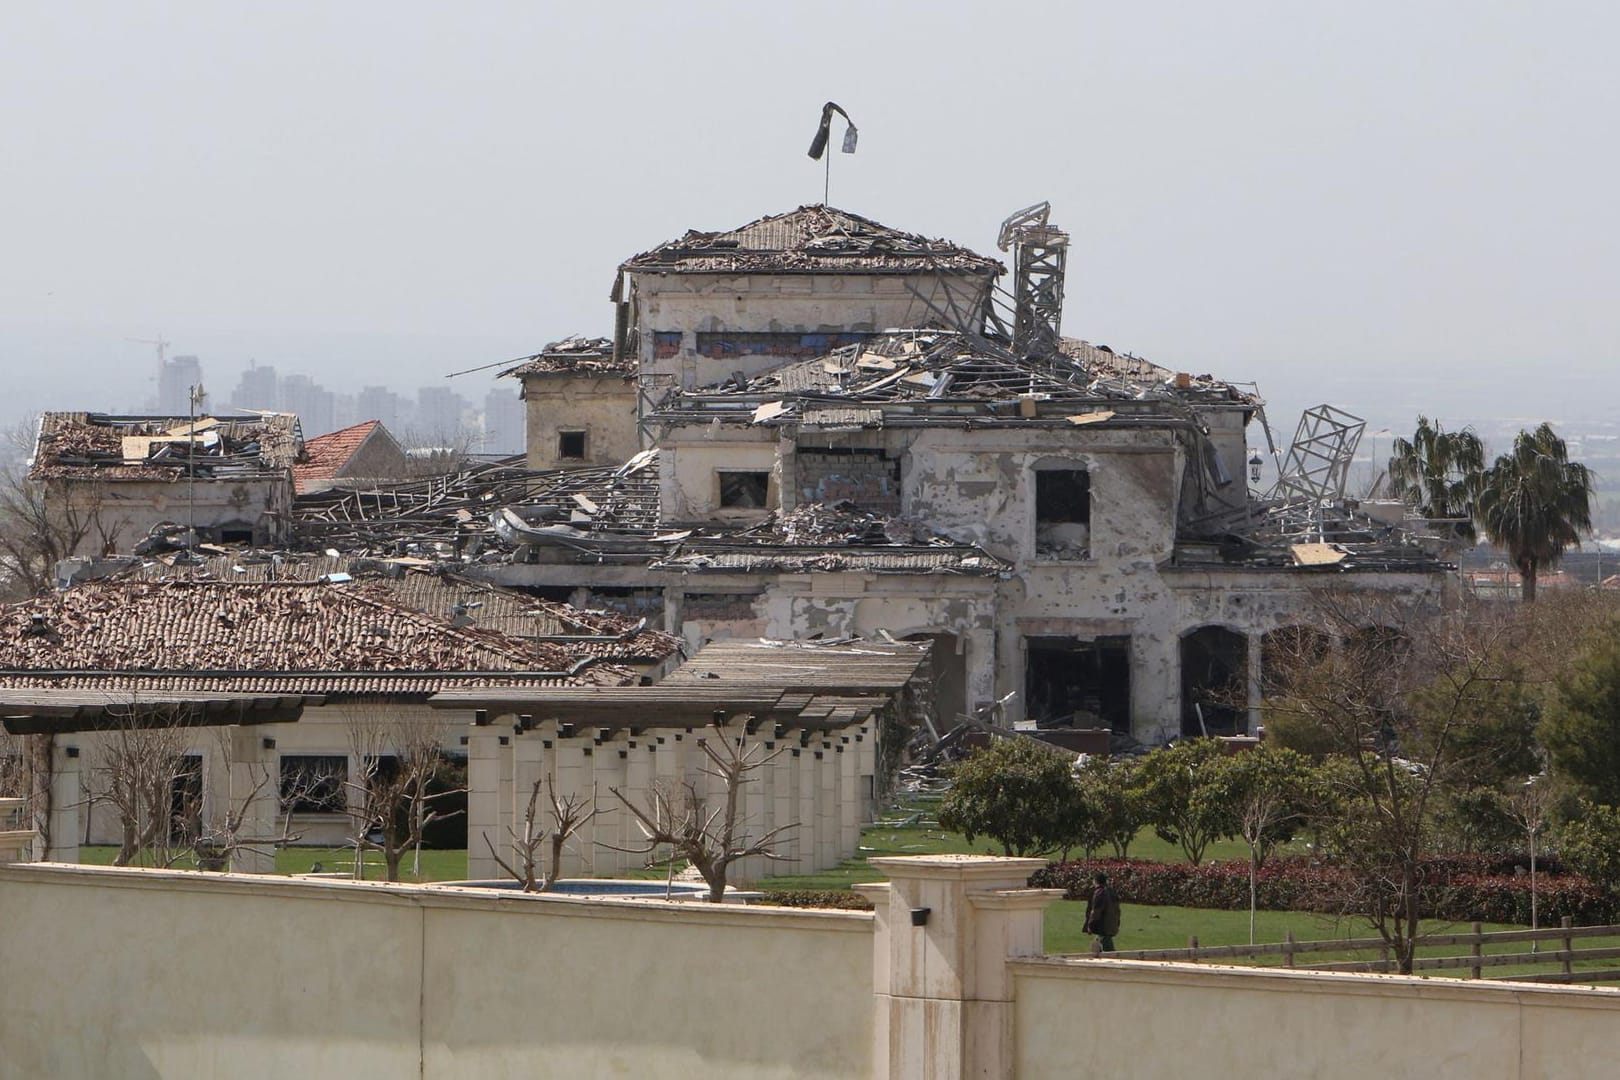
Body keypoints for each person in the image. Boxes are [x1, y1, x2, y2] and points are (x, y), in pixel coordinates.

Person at [1083, 871, 1121, 953]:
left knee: (1108, 950)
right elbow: (1117, 910)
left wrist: (1090, 925)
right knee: (1099, 944)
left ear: (1095, 880)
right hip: (1112, 923)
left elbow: (1096, 911)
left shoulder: (1100, 892)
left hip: (1103, 926)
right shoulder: (1111, 891)